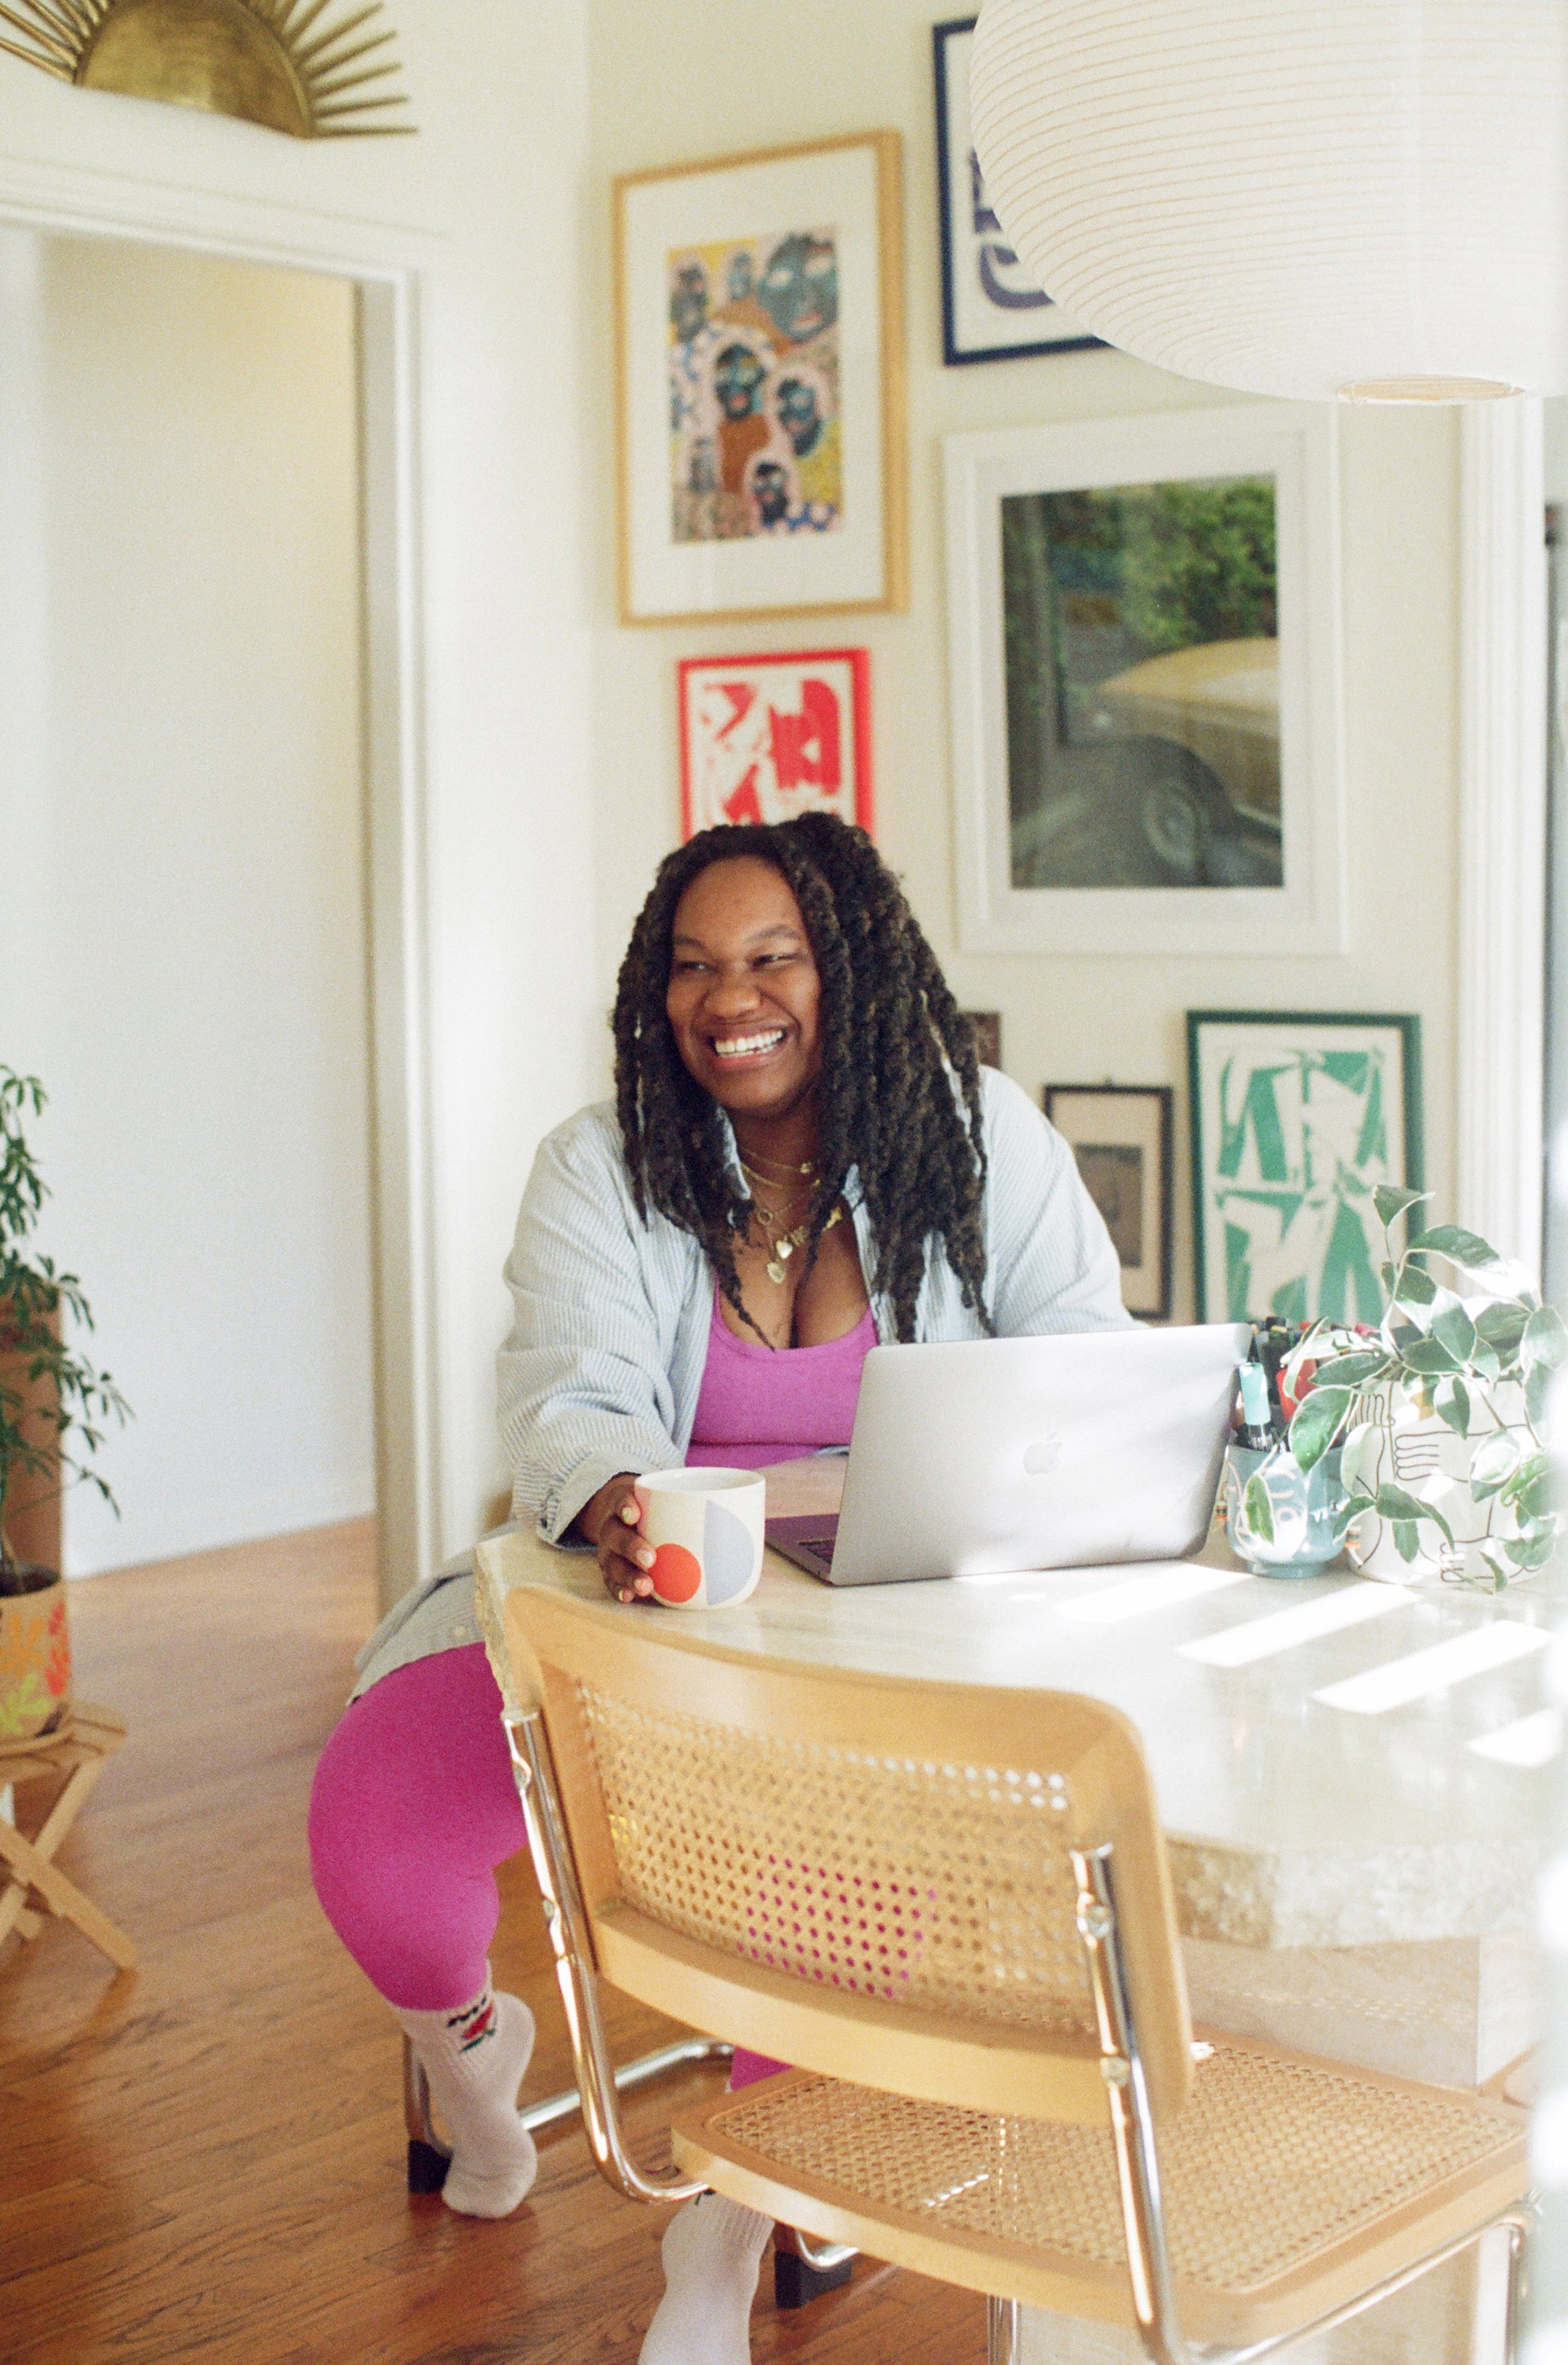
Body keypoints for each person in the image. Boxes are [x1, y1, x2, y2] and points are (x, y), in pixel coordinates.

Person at [307, 813, 1129, 2363]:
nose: (724, 997)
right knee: (373, 1846)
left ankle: (723, 2230)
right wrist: (617, 1492)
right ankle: (482, 2079)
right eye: (690, 965)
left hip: (884, 1649)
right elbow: (569, 1388)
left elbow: (1080, 1350)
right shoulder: (604, 1162)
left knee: (822, 1928)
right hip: (626, 1612)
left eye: (770, 959)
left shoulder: (976, 1134)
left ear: (851, 972)